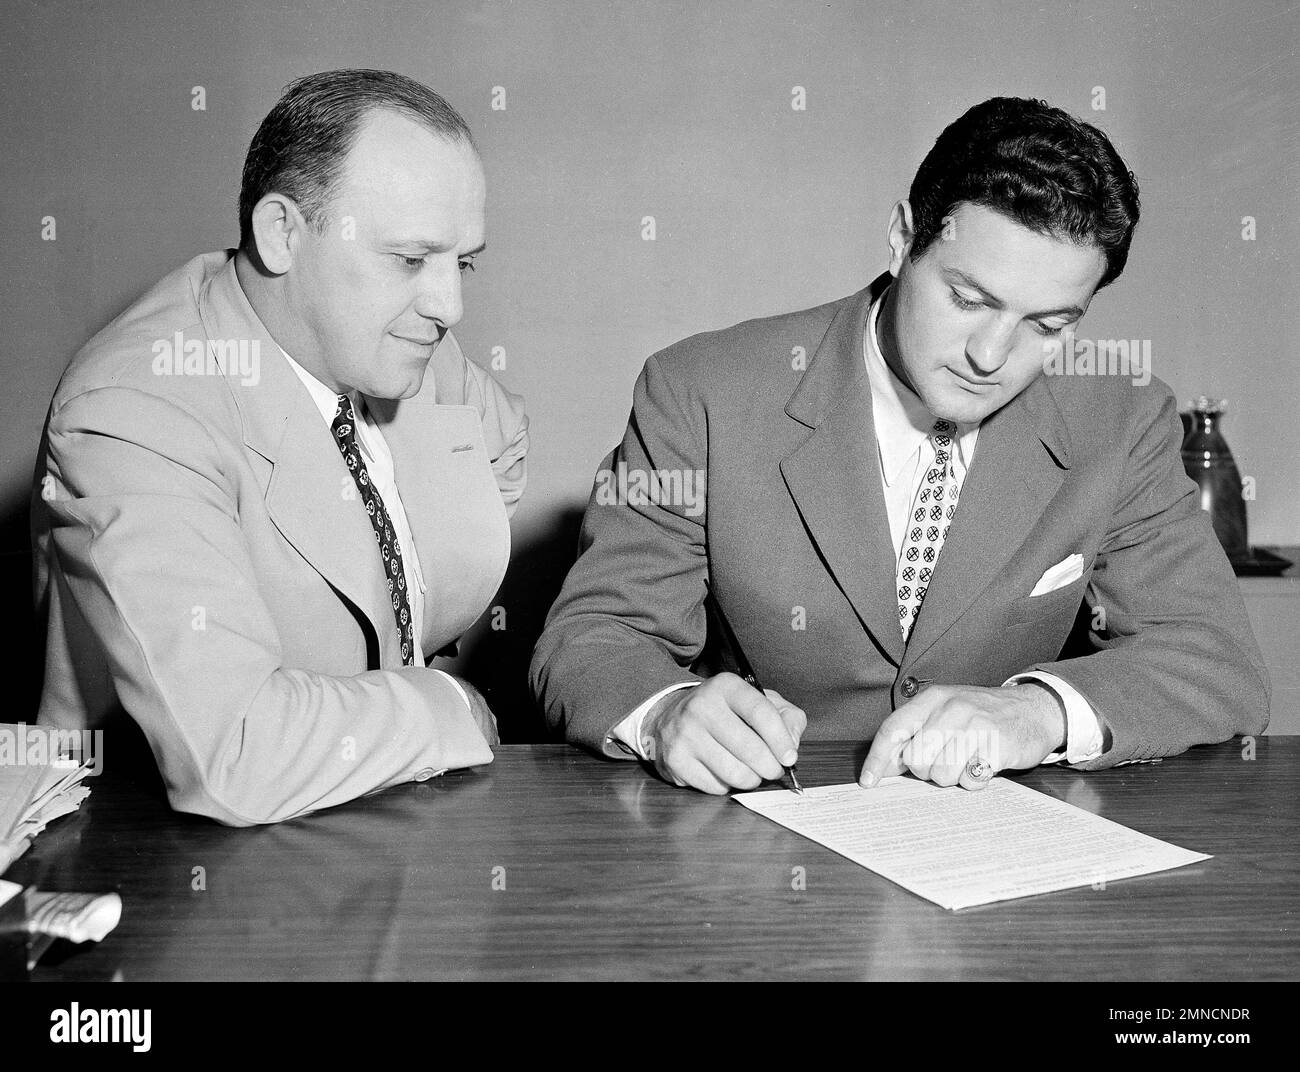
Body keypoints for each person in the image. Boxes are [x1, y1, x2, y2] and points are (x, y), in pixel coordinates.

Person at [531, 96, 1268, 796]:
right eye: (968, 299)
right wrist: (664, 715)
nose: (991, 354)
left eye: (1047, 325)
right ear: (903, 235)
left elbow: (1214, 659)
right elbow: (593, 638)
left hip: (1001, 850)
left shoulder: (1123, 419)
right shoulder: (702, 392)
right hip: (761, 838)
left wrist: (1038, 713)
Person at [32, 69, 527, 825]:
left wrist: (409, 620)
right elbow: (235, 756)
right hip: (159, 855)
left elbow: (499, 445)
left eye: (462, 262)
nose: (449, 306)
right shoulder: (133, 406)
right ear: (281, 233)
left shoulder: (401, 336)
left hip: (381, 822)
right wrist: (442, 703)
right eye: (409, 260)